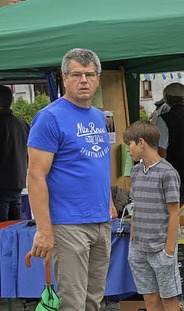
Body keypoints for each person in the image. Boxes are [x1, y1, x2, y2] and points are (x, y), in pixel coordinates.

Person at [27, 48, 117, 311]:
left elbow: (99, 163)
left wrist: (109, 202)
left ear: (98, 78)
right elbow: (35, 175)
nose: (84, 80)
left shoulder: (99, 117)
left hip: (100, 220)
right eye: (77, 74)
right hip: (68, 224)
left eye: (89, 74)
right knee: (73, 303)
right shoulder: (49, 118)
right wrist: (44, 231)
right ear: (64, 78)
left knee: (94, 299)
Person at [124, 121, 182, 311]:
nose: (127, 150)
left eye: (129, 144)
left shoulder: (168, 173)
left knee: (169, 300)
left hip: (160, 248)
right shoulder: (135, 172)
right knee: (149, 299)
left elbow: (174, 213)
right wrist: (133, 241)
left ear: (141, 143)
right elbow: (135, 208)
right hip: (139, 248)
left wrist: (168, 250)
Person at [0, 85, 29, 222]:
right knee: (14, 226)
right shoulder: (22, 124)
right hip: (18, 180)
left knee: (2, 228)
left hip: (2, 183)